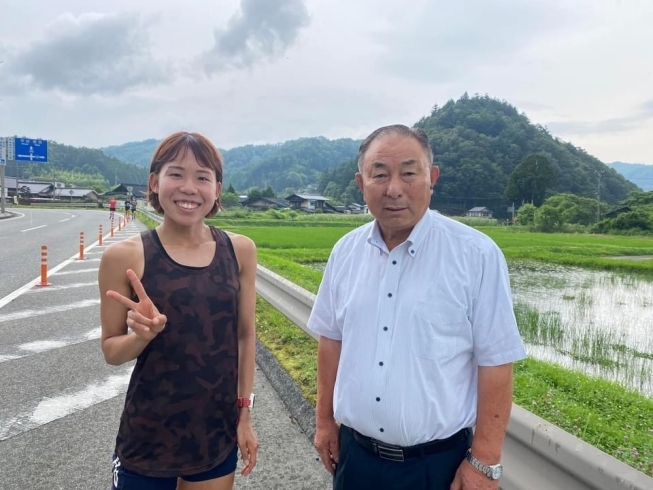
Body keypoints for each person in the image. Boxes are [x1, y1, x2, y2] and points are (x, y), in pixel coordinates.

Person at [308, 124, 526, 490]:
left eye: (409, 173)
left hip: (437, 466)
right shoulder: (345, 251)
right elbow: (331, 341)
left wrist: (485, 459)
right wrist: (325, 422)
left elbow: (496, 361)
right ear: (361, 184)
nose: (394, 188)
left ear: (431, 178)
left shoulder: (476, 255)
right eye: (380, 174)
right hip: (355, 458)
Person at [99, 131, 259, 490]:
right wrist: (141, 336)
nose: (189, 187)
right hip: (147, 436)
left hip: (216, 434)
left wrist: (244, 414)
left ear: (217, 189)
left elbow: (245, 337)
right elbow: (111, 350)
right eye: (176, 174)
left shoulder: (240, 251)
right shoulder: (124, 257)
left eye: (203, 177)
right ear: (154, 182)